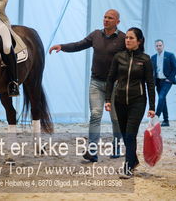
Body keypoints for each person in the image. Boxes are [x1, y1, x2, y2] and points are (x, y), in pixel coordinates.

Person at [49, 9, 125, 162]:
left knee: (116, 119)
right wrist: (62, 47)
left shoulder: (123, 38)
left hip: (115, 85)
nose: (106, 20)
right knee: (96, 115)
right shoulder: (96, 35)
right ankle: (92, 151)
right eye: (105, 17)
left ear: (117, 22)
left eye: (110, 18)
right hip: (96, 83)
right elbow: (79, 44)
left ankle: (116, 146)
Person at [105, 27, 155, 179]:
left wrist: (152, 107)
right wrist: (107, 99)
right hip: (119, 101)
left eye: (131, 38)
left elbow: (150, 84)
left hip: (137, 101)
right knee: (125, 135)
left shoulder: (145, 60)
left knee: (130, 133)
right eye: (126, 37)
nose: (127, 40)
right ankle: (133, 160)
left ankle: (127, 167)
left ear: (139, 41)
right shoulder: (118, 57)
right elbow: (110, 78)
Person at [151, 39, 176, 127]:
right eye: (157, 46)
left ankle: (156, 117)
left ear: (163, 46)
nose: (158, 47)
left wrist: (169, 79)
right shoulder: (153, 57)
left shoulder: (170, 55)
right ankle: (166, 121)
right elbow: (152, 71)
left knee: (161, 97)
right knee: (163, 100)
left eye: (160, 45)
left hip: (167, 81)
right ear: (155, 47)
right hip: (158, 81)